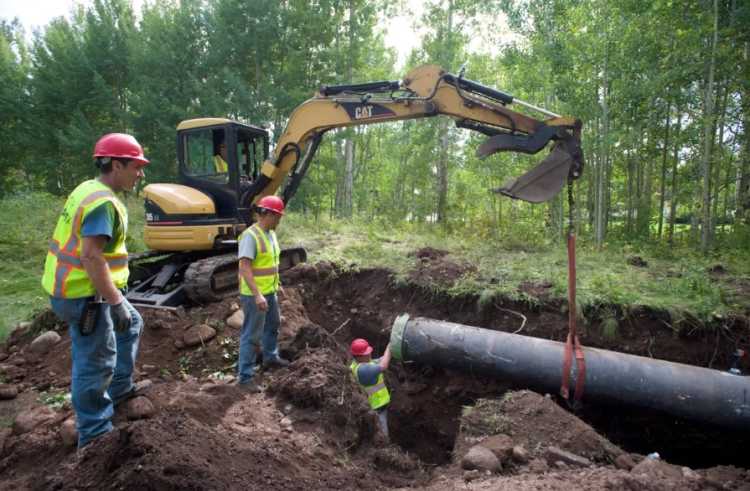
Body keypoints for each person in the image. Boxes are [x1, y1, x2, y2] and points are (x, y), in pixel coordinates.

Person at [42, 133, 149, 449]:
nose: (140, 173)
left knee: (133, 325)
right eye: (136, 166)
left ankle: (119, 389)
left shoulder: (87, 190)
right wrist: (116, 301)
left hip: (79, 289)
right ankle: (94, 436)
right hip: (85, 295)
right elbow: (91, 256)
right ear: (116, 164)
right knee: (96, 361)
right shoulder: (102, 204)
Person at [236, 195, 290, 392]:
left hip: (270, 290)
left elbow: (270, 264)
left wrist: (278, 284)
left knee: (273, 324)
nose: (279, 221)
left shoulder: (270, 234)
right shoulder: (250, 236)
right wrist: (257, 295)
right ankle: (245, 377)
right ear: (266, 214)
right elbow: (245, 268)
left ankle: (270, 357)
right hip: (254, 294)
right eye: (277, 217)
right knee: (252, 334)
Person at [350, 338, 391, 440]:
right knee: (383, 437)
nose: (369, 355)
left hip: (379, 407)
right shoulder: (364, 370)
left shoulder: (361, 364)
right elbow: (383, 365)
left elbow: (380, 360)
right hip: (376, 409)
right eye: (366, 353)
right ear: (359, 357)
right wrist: (390, 347)